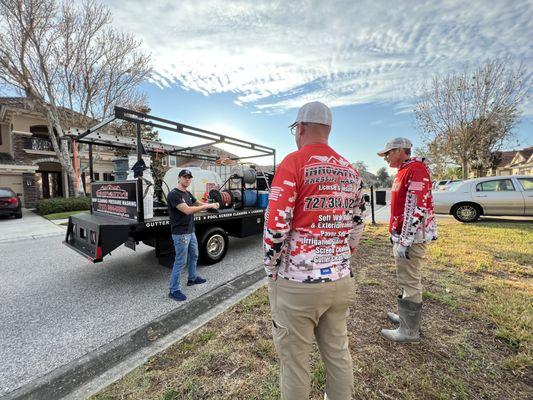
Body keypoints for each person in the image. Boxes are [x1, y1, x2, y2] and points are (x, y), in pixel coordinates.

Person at [264, 101, 365, 400]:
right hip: (340, 279)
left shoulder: (294, 162)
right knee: (337, 353)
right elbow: (357, 225)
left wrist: (271, 269)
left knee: (295, 362)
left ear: (301, 128)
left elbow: (276, 225)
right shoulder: (350, 169)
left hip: (298, 284)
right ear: (329, 130)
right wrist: (342, 257)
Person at [377, 138, 437, 342]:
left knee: (410, 280)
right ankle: (405, 317)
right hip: (402, 236)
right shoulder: (404, 170)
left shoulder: (416, 170)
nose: (385, 158)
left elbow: (416, 208)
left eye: (388, 153)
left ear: (401, 150)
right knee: (404, 278)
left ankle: (409, 331)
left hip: (411, 239)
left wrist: (405, 241)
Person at [167, 169, 219, 301]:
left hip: (190, 231)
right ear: (179, 178)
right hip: (181, 234)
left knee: (194, 255)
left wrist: (209, 206)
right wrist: (207, 206)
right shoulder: (174, 194)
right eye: (185, 177)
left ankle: (192, 278)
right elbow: (187, 210)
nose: (187, 179)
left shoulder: (187, 193)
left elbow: (196, 203)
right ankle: (174, 290)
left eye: (189, 177)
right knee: (180, 261)